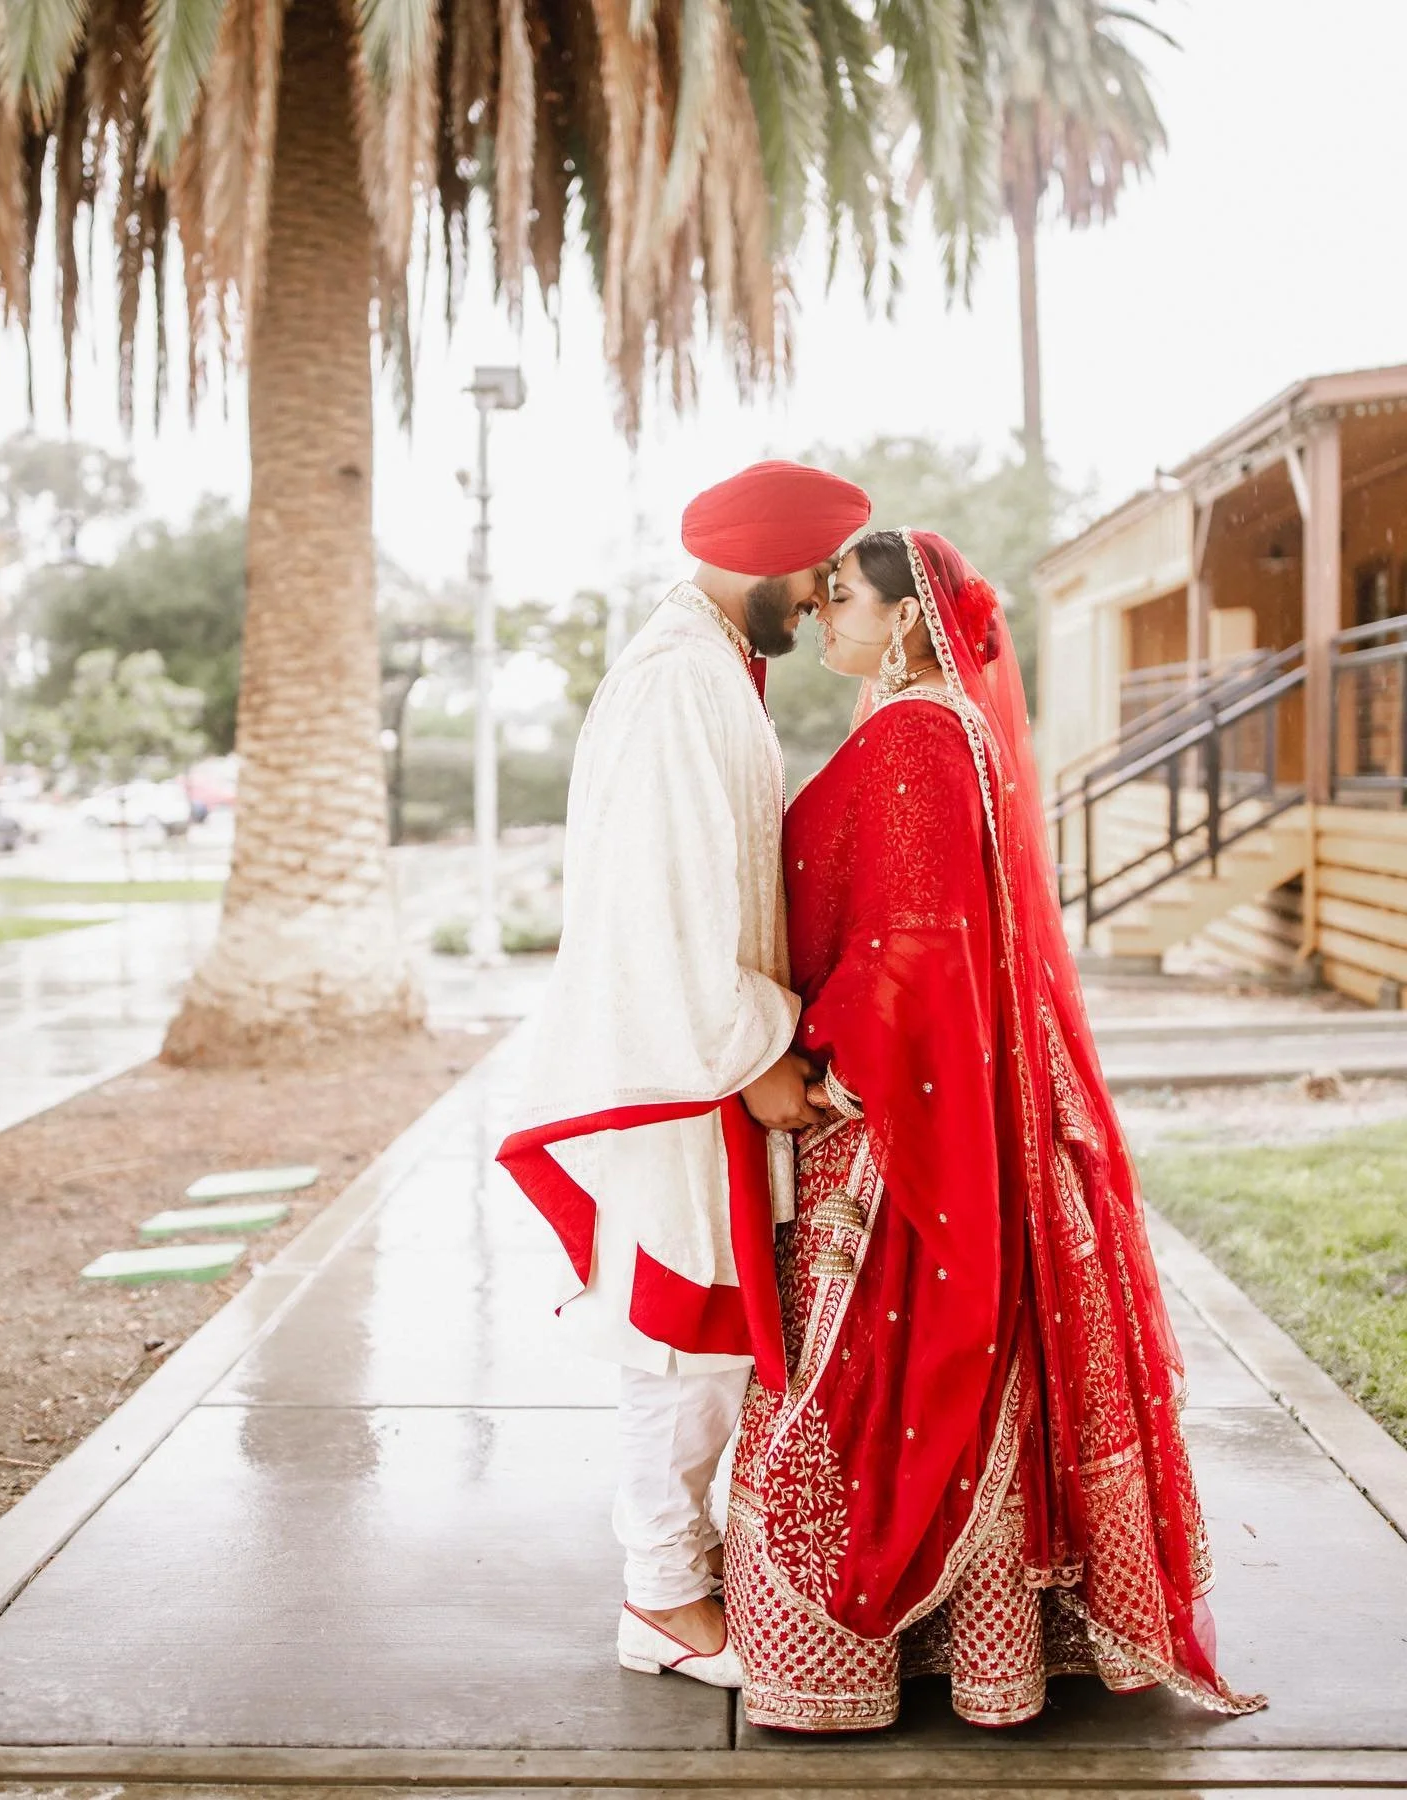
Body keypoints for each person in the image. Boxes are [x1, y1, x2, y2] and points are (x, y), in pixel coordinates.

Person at [722, 528, 1267, 1730]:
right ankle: (993, 1647)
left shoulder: (918, 733)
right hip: (927, 1089)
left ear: (908, 615)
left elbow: (917, 942)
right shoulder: (936, 724)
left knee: (883, 1370)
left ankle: (863, 1662)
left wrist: (831, 1064)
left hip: (887, 1106)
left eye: (843, 601)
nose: (822, 619)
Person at [497, 461, 871, 1689]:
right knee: (681, 1332)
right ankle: (660, 1596)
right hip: (682, 1057)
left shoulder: (713, 665)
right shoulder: (678, 682)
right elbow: (661, 899)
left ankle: (675, 1574)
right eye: (819, 574)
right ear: (768, 561)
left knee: (704, 1327)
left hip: (700, 1044)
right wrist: (753, 1051)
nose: (824, 601)